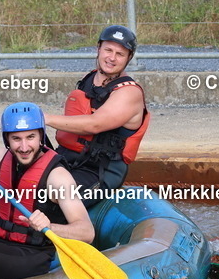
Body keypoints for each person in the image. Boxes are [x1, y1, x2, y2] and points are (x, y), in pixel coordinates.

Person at [0, 102, 94, 279]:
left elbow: (87, 232)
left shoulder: (58, 178)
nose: (24, 147)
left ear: (41, 136)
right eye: (16, 138)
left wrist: (49, 226)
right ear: (7, 140)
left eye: (31, 137)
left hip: (32, 256)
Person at [44, 25, 150, 206]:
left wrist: (43, 118)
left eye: (120, 54)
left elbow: (94, 124)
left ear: (129, 58)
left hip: (99, 171)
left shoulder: (129, 92)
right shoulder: (90, 78)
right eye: (108, 50)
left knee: (48, 201)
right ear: (98, 49)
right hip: (68, 158)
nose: (112, 58)